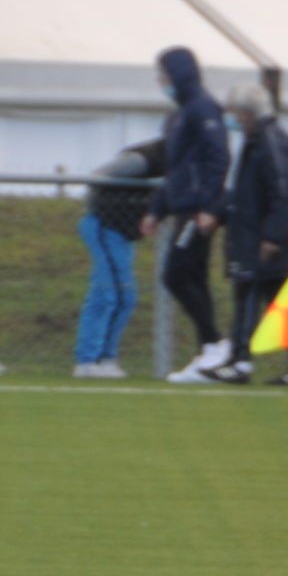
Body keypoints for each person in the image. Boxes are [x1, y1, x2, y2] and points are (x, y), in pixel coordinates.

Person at [207, 85, 288, 386]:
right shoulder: (263, 140)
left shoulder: (267, 142)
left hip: (258, 237)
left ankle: (240, 362)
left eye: (234, 112)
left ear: (246, 113)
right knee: (281, 301)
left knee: (248, 295)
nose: (231, 118)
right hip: (259, 232)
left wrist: (272, 236)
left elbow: (285, 192)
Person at [146, 47, 231, 382]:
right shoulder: (182, 114)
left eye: (164, 73)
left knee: (176, 274)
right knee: (194, 278)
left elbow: (219, 157)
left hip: (197, 210)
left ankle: (215, 343)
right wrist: (157, 209)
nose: (160, 81)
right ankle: (208, 358)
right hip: (184, 206)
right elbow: (177, 169)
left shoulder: (203, 108)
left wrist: (210, 207)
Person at [73, 137, 163, 378]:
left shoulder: (175, 162)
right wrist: (106, 212)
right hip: (105, 227)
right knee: (118, 294)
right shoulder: (141, 159)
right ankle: (96, 359)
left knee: (107, 295)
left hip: (122, 233)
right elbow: (97, 177)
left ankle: (96, 359)